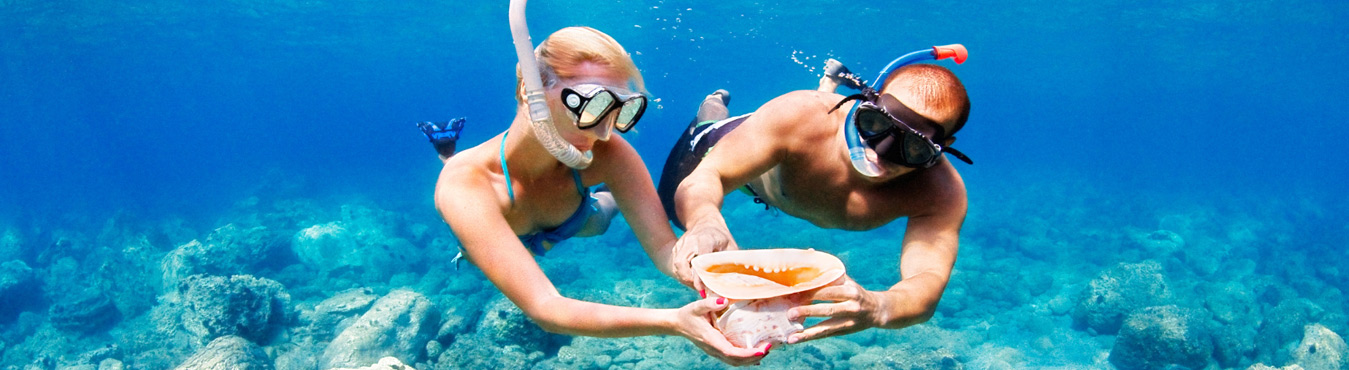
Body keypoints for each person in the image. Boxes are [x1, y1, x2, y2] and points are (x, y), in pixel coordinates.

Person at [427, 26, 767, 365]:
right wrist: (674, 322)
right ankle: (448, 152)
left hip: (576, 214)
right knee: (471, 247)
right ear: (527, 89)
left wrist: (722, 272)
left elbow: (666, 249)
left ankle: (620, 191)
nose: (603, 131)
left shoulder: (607, 151)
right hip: (492, 214)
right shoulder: (466, 187)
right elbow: (546, 306)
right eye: (591, 103)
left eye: (619, 110)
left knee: (601, 216)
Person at [657, 46, 973, 345]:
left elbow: (928, 279)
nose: (882, 153)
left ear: (943, 147)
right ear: (867, 105)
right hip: (734, 145)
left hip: (791, 158)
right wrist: (704, 220)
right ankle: (712, 105)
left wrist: (880, 306)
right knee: (674, 206)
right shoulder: (798, 115)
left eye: (914, 147)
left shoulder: (940, 193)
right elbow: (709, 176)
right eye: (875, 124)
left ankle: (829, 87)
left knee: (816, 118)